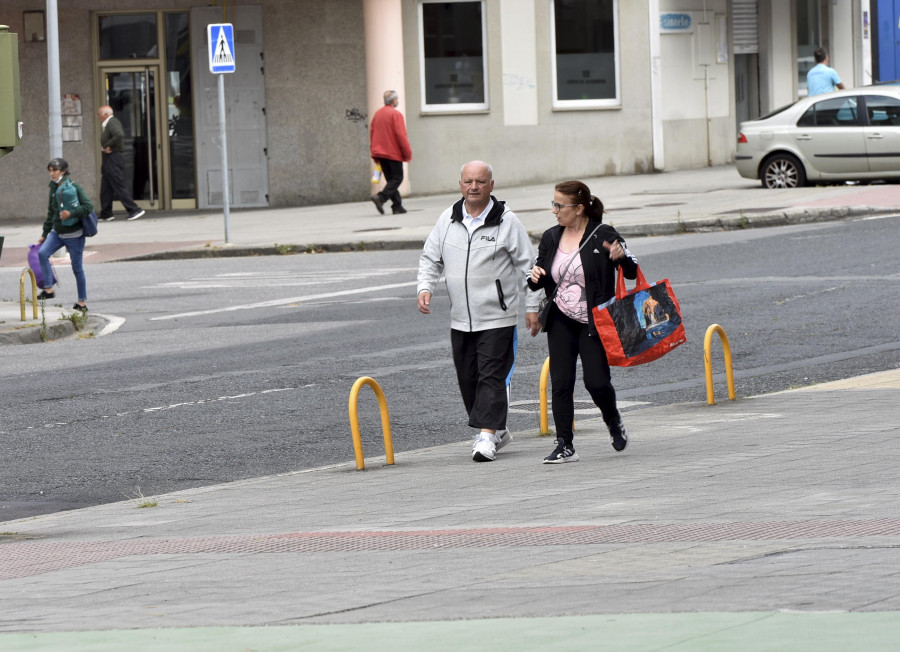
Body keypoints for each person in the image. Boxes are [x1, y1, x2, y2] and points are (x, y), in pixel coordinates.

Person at [417, 161, 541, 462]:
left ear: (491, 185)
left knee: (491, 375)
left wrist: (533, 306)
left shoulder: (507, 222)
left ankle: (486, 437)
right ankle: (498, 430)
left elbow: (530, 266)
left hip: (498, 315)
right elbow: (431, 257)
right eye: (469, 181)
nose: (474, 187)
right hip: (460, 318)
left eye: (481, 182)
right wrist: (425, 287)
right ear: (460, 184)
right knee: (468, 378)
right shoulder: (448, 218)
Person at [527, 180, 639, 464]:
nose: (554, 210)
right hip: (561, 320)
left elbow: (631, 271)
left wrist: (621, 257)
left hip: (594, 321)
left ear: (578, 209)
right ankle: (565, 444)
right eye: (553, 204)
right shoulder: (551, 236)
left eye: (559, 205)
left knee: (596, 383)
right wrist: (535, 276)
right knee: (561, 383)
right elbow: (537, 275)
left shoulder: (603, 233)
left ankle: (613, 420)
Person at [37, 158, 92, 312]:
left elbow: (88, 206)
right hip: (57, 233)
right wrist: (44, 233)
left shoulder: (74, 187)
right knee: (42, 253)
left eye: (54, 170)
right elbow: (51, 212)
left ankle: (82, 303)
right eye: (50, 170)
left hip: (75, 235)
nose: (52, 173)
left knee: (77, 269)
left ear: (63, 171)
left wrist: (71, 213)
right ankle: (49, 289)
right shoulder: (53, 188)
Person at [97, 105, 145, 222]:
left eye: (99, 115)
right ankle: (106, 212)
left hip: (113, 157)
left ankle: (134, 209)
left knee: (118, 184)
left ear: (106, 114)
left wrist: (109, 145)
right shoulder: (109, 123)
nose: (98, 117)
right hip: (109, 158)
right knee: (106, 186)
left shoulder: (112, 122)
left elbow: (119, 134)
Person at [370, 90, 412, 215]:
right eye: (397, 99)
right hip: (393, 152)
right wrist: (407, 152)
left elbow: (372, 133)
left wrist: (374, 151)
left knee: (391, 180)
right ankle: (381, 198)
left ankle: (397, 206)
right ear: (393, 101)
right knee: (397, 178)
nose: (398, 101)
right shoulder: (395, 114)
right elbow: (401, 135)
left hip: (380, 152)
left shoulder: (377, 114)